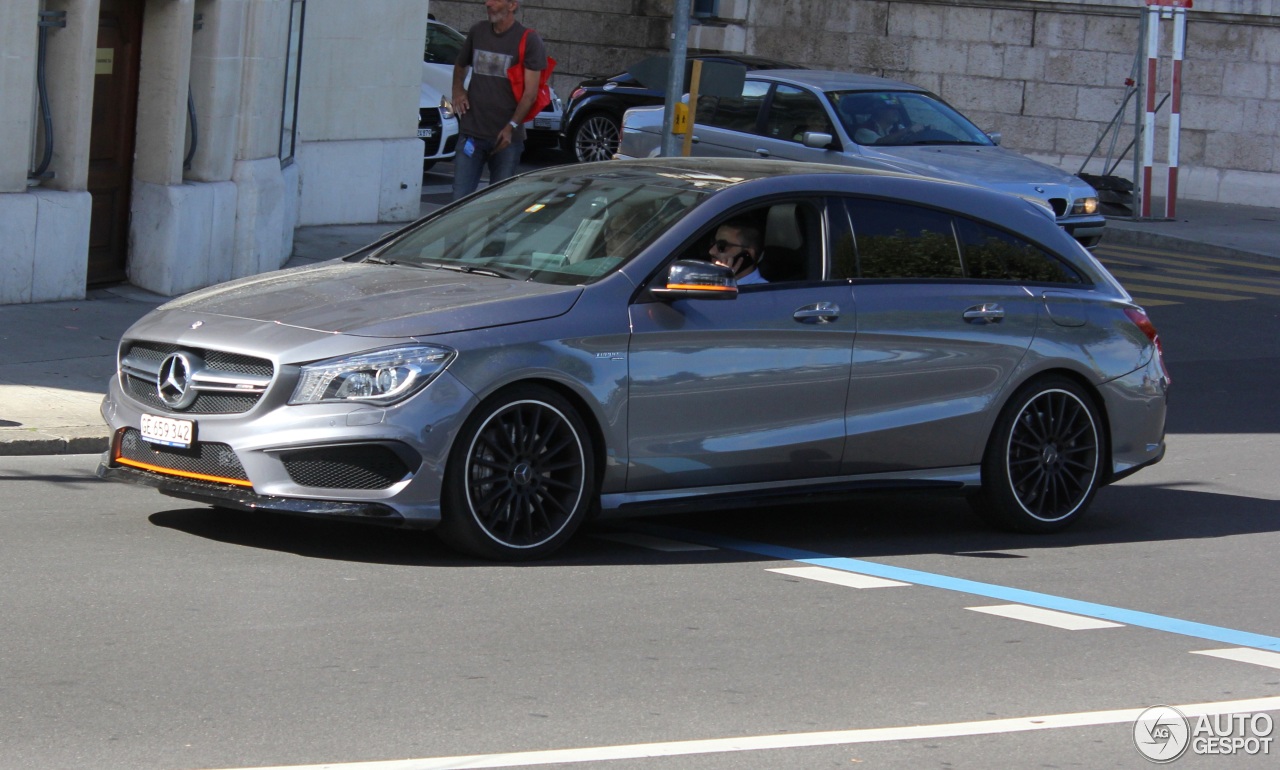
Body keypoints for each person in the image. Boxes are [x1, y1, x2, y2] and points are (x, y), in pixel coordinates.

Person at [450, 0, 548, 200]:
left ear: (512, 5)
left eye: (495, 0)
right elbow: (460, 64)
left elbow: (530, 94)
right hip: (472, 132)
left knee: (498, 210)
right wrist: (458, 90)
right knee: (458, 203)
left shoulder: (528, 40)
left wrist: (511, 126)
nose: (488, 3)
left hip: (506, 139)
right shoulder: (478, 32)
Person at [708, 219, 765, 285]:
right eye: (713, 242)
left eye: (721, 245)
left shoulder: (761, 292)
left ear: (747, 254)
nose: (711, 251)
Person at [854, 100, 922, 145]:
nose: (896, 112)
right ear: (880, 111)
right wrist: (907, 130)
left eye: (897, 109)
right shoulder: (864, 130)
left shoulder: (898, 127)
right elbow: (879, 143)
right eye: (891, 109)